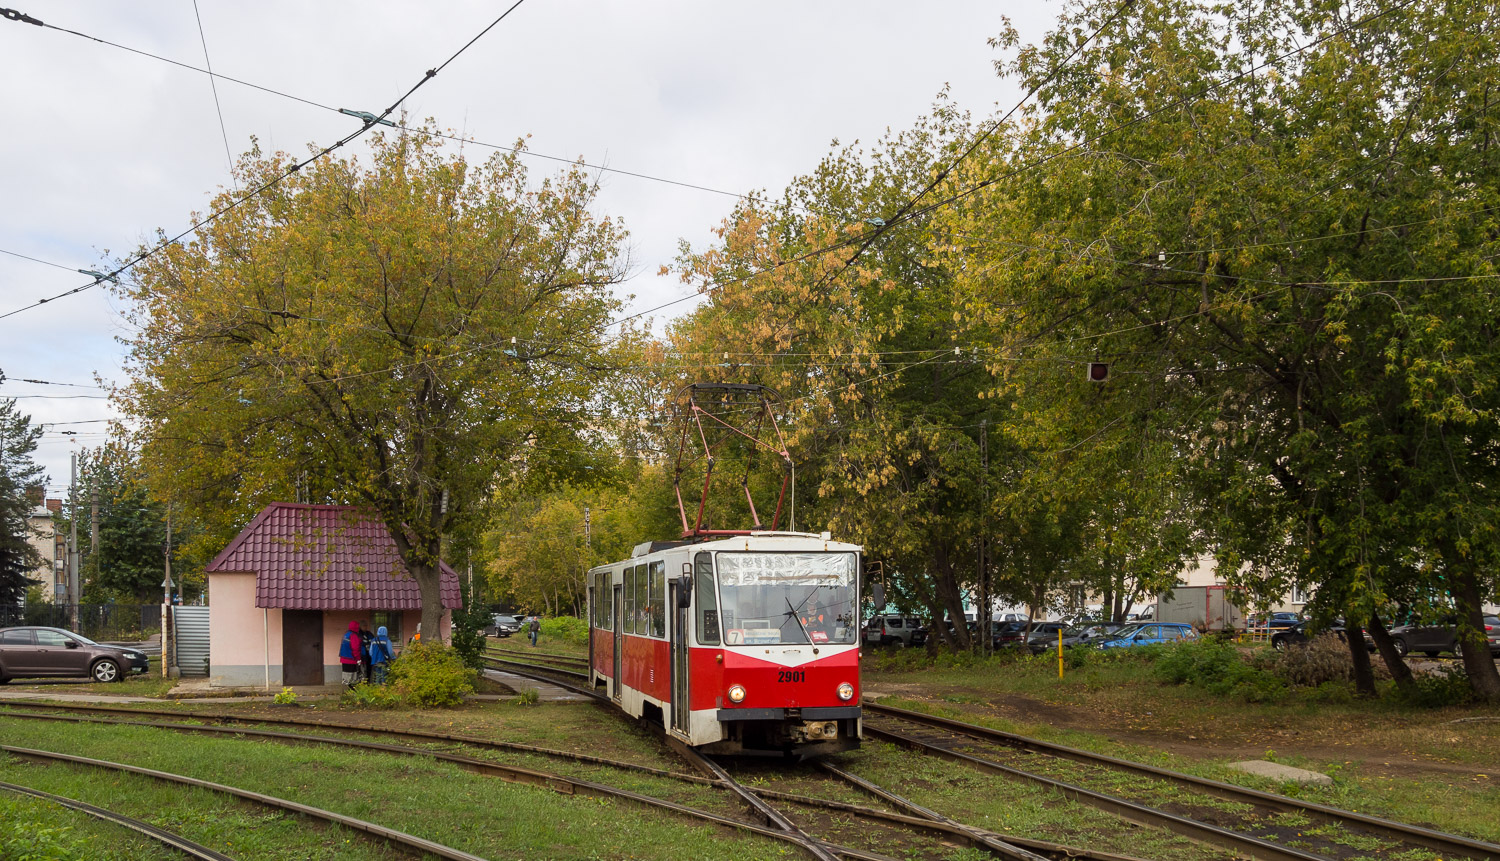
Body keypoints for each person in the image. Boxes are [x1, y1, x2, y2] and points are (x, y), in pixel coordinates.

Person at [338, 620, 362, 687]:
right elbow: (355, 648)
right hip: (351, 659)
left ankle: (346, 690)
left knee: (346, 677)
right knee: (352, 677)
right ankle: (352, 691)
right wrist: (358, 659)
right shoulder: (353, 635)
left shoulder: (346, 634)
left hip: (344, 659)